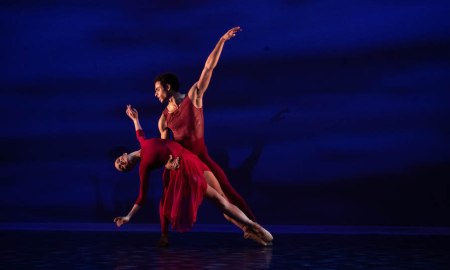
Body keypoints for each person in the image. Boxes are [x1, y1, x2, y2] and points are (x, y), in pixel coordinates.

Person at [113, 105, 273, 246]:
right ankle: (254, 226)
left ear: (123, 154)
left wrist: (135, 118)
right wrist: (128, 217)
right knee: (220, 201)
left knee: (223, 199)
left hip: (192, 159)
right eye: (121, 167)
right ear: (129, 168)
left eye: (118, 161)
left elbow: (139, 134)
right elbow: (142, 196)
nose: (121, 163)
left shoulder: (142, 144)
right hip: (185, 168)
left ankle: (247, 229)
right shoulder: (144, 167)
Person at [154, 26, 257, 235]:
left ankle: (253, 229)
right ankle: (252, 229)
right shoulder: (163, 120)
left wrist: (222, 40)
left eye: (157, 89)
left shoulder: (194, 96)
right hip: (186, 163)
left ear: (167, 87)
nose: (155, 94)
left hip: (203, 157)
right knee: (218, 201)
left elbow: (208, 68)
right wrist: (169, 163)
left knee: (229, 195)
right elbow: (165, 149)